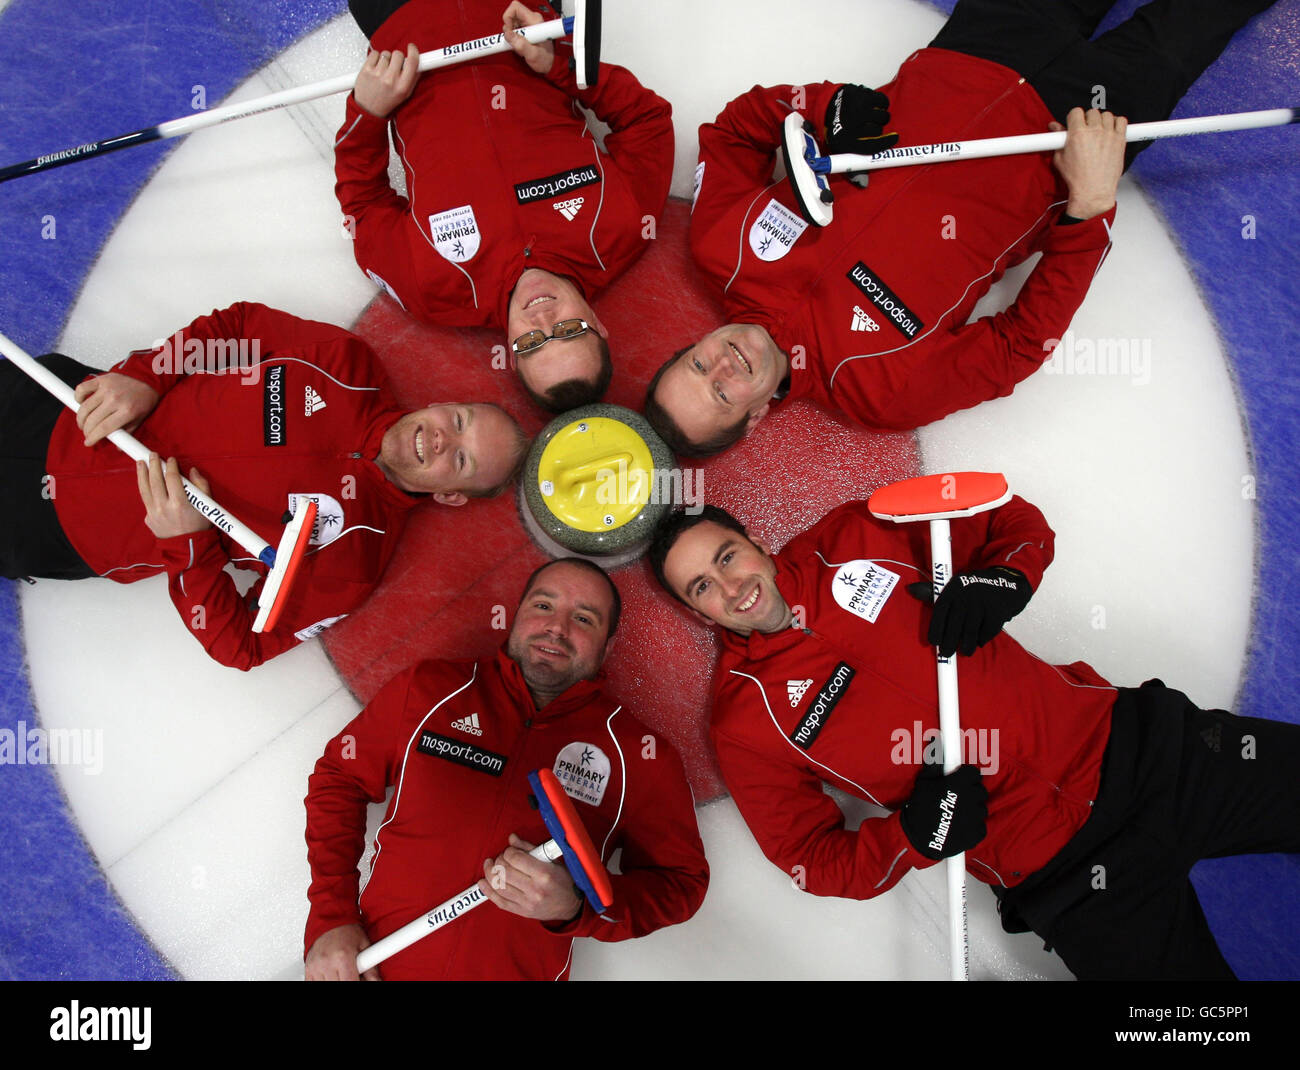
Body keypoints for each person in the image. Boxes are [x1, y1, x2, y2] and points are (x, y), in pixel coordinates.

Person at [647, 497, 1300, 979]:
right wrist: (914, 836)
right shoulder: (743, 720)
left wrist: (1002, 579)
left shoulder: (856, 535)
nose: (732, 587)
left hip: (1155, 754)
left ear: (756, 538)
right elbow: (811, 859)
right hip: (1071, 881)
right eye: (703, 586)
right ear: (692, 609)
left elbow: (1013, 522)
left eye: (727, 556)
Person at [644, 0, 1276, 455]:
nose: (723, 368)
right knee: (1196, 19)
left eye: (699, 368)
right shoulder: (882, 393)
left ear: (691, 347)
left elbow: (733, 132)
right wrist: (1089, 206)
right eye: (723, 396)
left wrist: (821, 104)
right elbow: (1019, 347)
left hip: (976, 47)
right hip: (1071, 134)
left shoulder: (721, 246)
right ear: (755, 418)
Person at [0, 301, 528, 670]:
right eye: (458, 421)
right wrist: (149, 376)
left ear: (451, 496)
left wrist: (189, 547)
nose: (440, 440)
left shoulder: (353, 561)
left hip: (44, 528)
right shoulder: (346, 361)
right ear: (445, 404)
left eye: (461, 460)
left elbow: (241, 646)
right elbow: (238, 325)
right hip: (53, 405)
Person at [303, 557, 709, 980]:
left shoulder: (640, 756)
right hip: (370, 970)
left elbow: (682, 884)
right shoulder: (428, 691)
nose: (557, 627)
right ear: (516, 616)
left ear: (607, 647)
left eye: (584, 618)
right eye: (543, 606)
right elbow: (339, 779)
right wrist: (331, 920)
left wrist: (577, 906)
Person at [335, 0, 674, 412]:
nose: (544, 320)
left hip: (398, 20)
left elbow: (364, 207)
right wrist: (558, 63)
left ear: (510, 355)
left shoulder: (432, 292)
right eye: (569, 330)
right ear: (599, 326)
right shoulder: (624, 227)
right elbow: (647, 121)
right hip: (517, 10)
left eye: (531, 344)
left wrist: (367, 113)